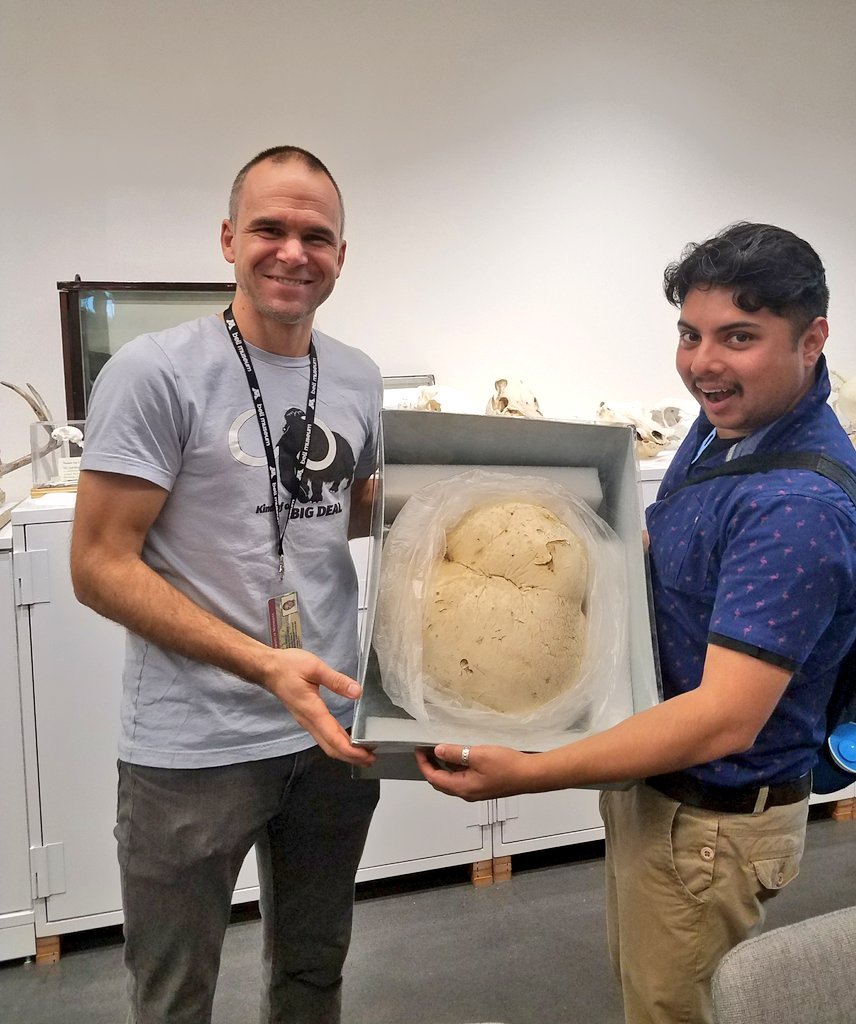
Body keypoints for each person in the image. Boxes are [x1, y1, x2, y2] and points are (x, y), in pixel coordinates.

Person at [417, 222, 856, 1024]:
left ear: (812, 338)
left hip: (712, 824)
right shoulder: (731, 427)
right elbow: (671, 539)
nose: (702, 364)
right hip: (655, 791)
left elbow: (725, 718)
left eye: (739, 337)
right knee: (645, 992)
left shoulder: (795, 507)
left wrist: (528, 773)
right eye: (690, 335)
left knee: (674, 1010)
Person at [71, 145, 381, 1024]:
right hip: (191, 747)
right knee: (175, 998)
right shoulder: (155, 372)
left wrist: (497, 484)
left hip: (329, 726)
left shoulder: (355, 375)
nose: (293, 252)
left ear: (341, 256)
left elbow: (343, 509)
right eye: (269, 229)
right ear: (227, 239)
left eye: (316, 235)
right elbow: (98, 565)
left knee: (314, 976)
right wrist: (262, 664)